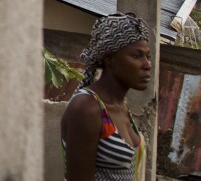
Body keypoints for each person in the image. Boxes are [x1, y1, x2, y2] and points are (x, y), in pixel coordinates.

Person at [62, 12, 152, 181]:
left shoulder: (121, 106)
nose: (147, 65)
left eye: (148, 56)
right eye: (137, 56)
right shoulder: (87, 108)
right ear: (110, 58)